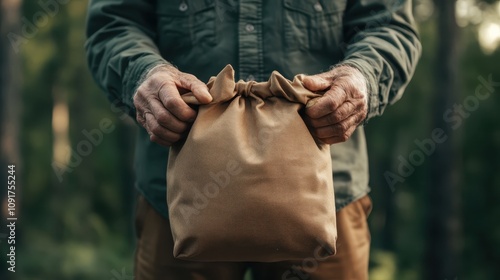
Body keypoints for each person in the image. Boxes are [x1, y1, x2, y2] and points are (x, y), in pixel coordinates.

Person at [85, 0, 421, 279]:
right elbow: (114, 23)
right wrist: (142, 73)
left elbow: (388, 26)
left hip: (330, 196)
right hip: (175, 200)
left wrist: (363, 76)